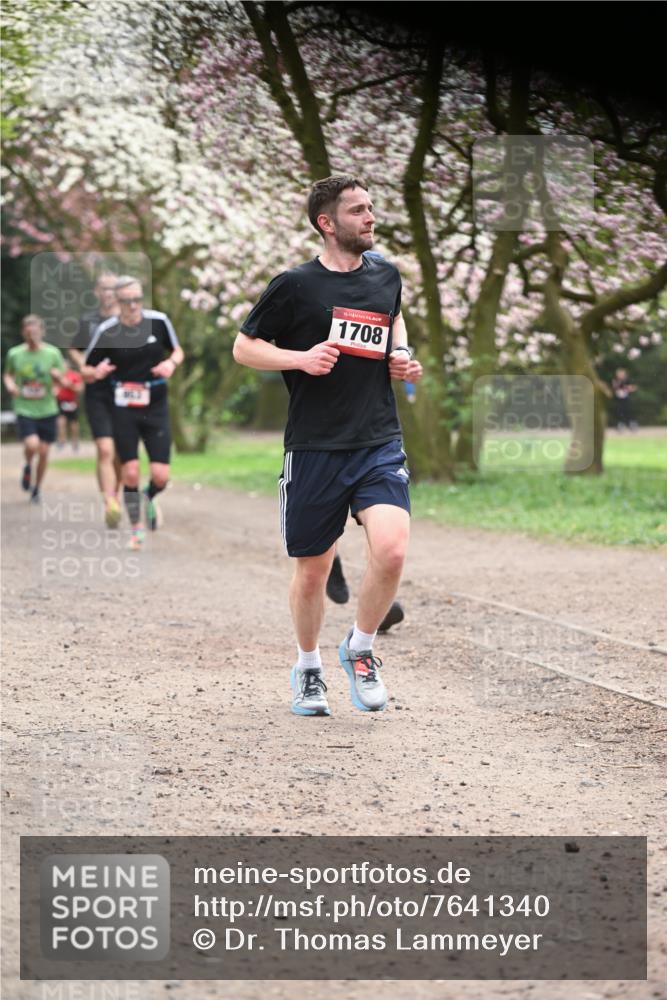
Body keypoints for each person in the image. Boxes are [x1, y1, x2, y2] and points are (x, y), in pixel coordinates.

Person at [233, 174, 423, 717]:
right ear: (327, 223)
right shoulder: (295, 285)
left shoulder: (385, 274)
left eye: (371, 207)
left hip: (377, 440)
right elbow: (244, 347)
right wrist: (299, 358)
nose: (371, 217)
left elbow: (393, 317)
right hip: (315, 447)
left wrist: (401, 354)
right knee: (313, 571)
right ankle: (308, 666)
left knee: (392, 550)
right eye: (358, 210)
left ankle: (360, 649)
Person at [82, 276, 184, 550]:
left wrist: (171, 364)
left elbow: (177, 351)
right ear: (117, 301)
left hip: (156, 406)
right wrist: (96, 372)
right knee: (130, 472)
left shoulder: (159, 321)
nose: (133, 305)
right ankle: (137, 529)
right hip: (123, 409)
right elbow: (86, 369)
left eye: (137, 299)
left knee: (161, 476)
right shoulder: (107, 331)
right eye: (127, 301)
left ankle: (149, 496)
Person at [69, 272, 122, 527]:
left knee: (121, 453)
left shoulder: (129, 320)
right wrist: (85, 367)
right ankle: (109, 503)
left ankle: (116, 495)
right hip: (97, 392)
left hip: (123, 392)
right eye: (104, 288)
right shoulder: (88, 321)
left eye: (113, 288)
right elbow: (74, 349)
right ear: (97, 292)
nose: (109, 293)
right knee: (104, 449)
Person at [3, 314, 67, 502]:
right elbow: (7, 374)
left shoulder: (52, 353)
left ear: (42, 332)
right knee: (32, 444)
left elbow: (63, 379)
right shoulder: (15, 354)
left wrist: (57, 382)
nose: (32, 336)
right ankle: (28, 464)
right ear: (23, 333)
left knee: (44, 452)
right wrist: (10, 385)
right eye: (29, 332)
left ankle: (37, 488)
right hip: (24, 407)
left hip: (47, 408)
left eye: (35, 332)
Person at [56, 361, 84, 451]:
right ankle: (61, 441)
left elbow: (80, 389)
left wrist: (69, 385)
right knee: (61, 422)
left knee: (73, 424)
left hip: (72, 401)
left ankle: (75, 442)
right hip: (61, 401)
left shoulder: (75, 375)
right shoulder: (59, 376)